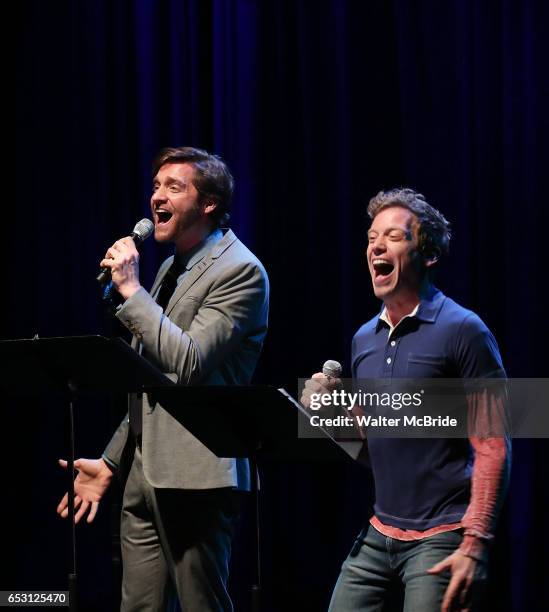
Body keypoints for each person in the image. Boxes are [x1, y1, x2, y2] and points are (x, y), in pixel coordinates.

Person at [57, 146, 269, 612]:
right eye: (156, 185)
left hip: (197, 474)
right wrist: (112, 461)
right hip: (142, 471)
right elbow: (148, 381)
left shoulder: (241, 271)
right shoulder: (173, 266)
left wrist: (132, 291)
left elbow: (189, 365)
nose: (157, 196)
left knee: (201, 605)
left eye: (174, 186)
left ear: (209, 202)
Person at [301, 188, 510, 612]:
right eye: (371, 237)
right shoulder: (364, 338)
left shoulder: (463, 330)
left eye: (394, 237)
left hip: (443, 534)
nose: (377, 246)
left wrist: (475, 542)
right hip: (379, 532)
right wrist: (328, 414)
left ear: (428, 254)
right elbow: (369, 448)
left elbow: (493, 445)